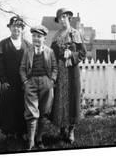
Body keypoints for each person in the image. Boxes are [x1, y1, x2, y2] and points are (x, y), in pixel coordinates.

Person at [50, 8, 86, 144]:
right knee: (60, 99)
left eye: (65, 17)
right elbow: (52, 54)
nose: (63, 19)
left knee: (72, 99)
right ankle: (62, 128)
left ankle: (71, 130)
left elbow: (83, 52)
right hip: (59, 72)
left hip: (71, 72)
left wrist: (72, 54)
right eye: (61, 17)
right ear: (58, 20)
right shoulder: (56, 35)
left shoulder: (75, 33)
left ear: (69, 18)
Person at [20, 25, 58, 150]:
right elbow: (22, 68)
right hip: (31, 83)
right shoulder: (28, 51)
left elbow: (54, 68)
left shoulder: (49, 51)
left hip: (46, 84)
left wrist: (51, 80)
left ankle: (39, 138)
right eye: (34, 36)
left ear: (44, 38)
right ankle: (30, 142)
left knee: (44, 112)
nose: (36, 39)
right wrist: (25, 81)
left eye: (39, 36)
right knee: (31, 112)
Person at [0, 16, 31, 142]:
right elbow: (0, 65)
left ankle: (21, 131)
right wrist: (3, 80)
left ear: (22, 29)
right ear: (10, 27)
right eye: (14, 26)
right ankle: (9, 131)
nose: (17, 28)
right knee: (8, 106)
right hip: (8, 82)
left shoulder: (27, 45)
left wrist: (28, 80)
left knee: (22, 105)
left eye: (19, 26)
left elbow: (31, 64)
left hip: (23, 82)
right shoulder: (3, 44)